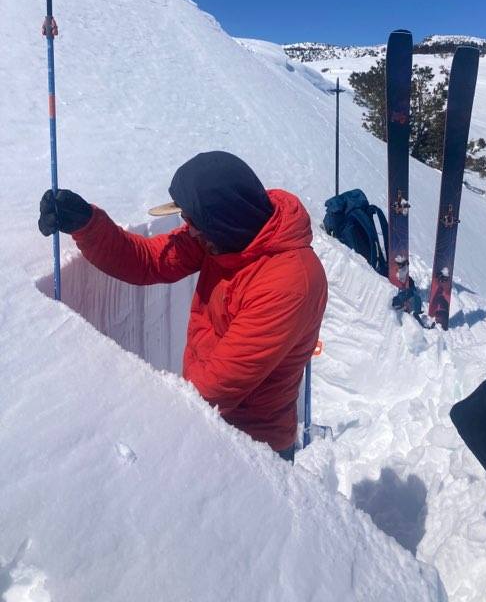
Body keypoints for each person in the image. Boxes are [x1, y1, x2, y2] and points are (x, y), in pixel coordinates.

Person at [38, 151, 328, 462]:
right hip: (206, 422)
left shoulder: (287, 283)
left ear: (220, 221)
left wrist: (146, 423)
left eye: (192, 221)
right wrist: (87, 223)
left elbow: (216, 388)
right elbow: (148, 261)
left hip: (254, 450)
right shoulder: (227, 233)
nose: (188, 230)